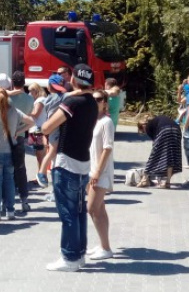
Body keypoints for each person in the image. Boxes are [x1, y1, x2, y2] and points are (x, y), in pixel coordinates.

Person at [42, 64, 99, 272]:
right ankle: (80, 253)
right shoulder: (92, 102)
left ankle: (69, 258)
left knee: (68, 213)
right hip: (83, 162)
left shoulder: (71, 102)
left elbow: (47, 127)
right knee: (79, 211)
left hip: (66, 161)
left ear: (73, 79)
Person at [0, 88, 34, 221]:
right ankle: (10, 210)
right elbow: (31, 122)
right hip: (11, 150)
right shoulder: (15, 111)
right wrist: (18, 131)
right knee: (10, 180)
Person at [86, 89, 114, 261]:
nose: (95, 101)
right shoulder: (92, 120)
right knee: (100, 208)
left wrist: (97, 170)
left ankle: (106, 248)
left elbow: (107, 148)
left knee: (92, 208)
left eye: (98, 99)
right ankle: (103, 244)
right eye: (93, 99)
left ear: (105, 102)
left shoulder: (106, 122)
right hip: (91, 169)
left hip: (101, 171)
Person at [7, 71, 35, 212]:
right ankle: (24, 200)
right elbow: (30, 117)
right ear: (24, 82)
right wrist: (20, 131)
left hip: (6, 134)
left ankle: (7, 201)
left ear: (12, 82)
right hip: (20, 135)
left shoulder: (7, 98)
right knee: (20, 167)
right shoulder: (30, 99)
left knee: (6, 168)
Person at [36, 73, 68, 188]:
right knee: (52, 152)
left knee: (53, 153)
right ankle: (41, 172)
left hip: (52, 126)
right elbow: (70, 95)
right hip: (55, 127)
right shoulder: (58, 97)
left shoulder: (49, 98)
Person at [136, 115, 182, 188]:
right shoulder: (158, 120)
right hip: (177, 130)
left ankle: (144, 179)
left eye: (142, 129)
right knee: (171, 156)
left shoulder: (148, 127)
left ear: (143, 126)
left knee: (154, 156)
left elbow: (155, 147)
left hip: (164, 131)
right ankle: (167, 182)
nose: (144, 131)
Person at [29, 82, 49, 184]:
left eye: (31, 91)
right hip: (39, 129)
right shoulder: (42, 100)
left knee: (40, 155)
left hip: (38, 130)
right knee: (39, 155)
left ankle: (42, 176)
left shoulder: (39, 101)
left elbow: (36, 114)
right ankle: (40, 175)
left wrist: (26, 112)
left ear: (36, 91)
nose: (30, 93)